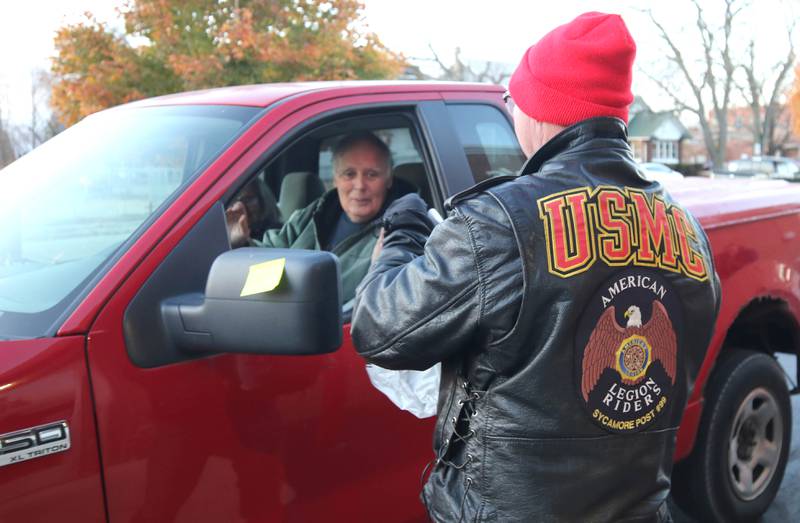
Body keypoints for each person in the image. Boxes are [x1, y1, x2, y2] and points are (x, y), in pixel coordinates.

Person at [352, 12, 720, 523]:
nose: (511, 114)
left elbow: (380, 328)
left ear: (546, 110)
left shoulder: (500, 222)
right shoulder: (688, 232)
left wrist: (402, 235)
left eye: (513, 102)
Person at [227, 131, 395, 302]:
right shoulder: (312, 215)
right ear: (335, 179)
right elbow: (268, 255)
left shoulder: (396, 232)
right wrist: (239, 243)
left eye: (371, 174)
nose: (360, 185)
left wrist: (379, 271)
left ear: (388, 179)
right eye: (349, 174)